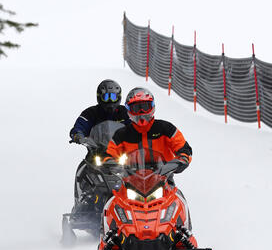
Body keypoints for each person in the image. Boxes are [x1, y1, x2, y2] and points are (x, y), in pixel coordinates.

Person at [68, 79, 131, 224]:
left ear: (119, 97)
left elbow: (134, 126)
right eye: (106, 97)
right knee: (84, 169)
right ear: (99, 97)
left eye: (113, 97)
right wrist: (78, 135)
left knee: (137, 175)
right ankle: (83, 201)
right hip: (97, 153)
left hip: (120, 154)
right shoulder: (91, 113)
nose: (110, 101)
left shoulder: (125, 113)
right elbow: (80, 125)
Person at [106, 86, 192, 172]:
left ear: (152, 106)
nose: (141, 112)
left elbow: (182, 146)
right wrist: (109, 162)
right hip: (130, 178)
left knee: (174, 186)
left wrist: (183, 158)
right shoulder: (122, 134)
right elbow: (109, 152)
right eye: (136, 108)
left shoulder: (166, 128)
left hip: (163, 177)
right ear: (129, 110)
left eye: (145, 107)